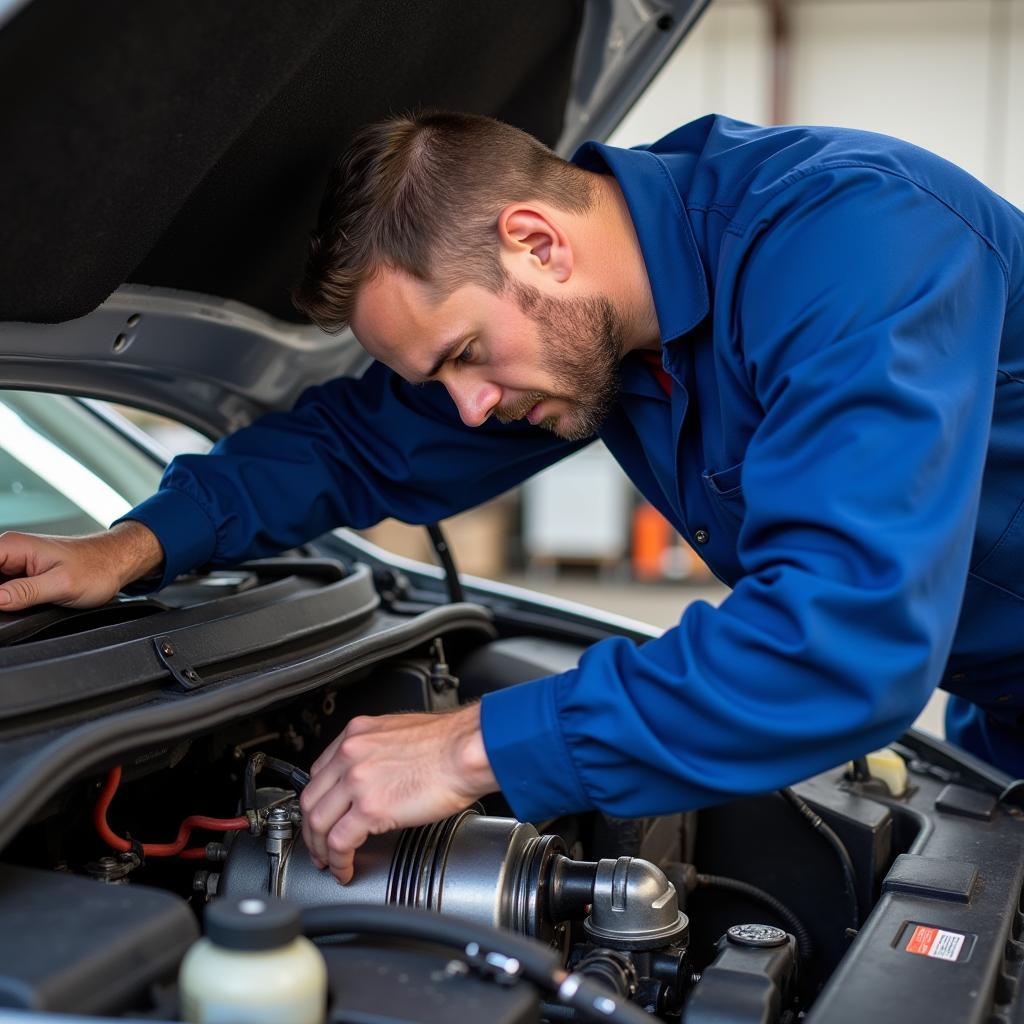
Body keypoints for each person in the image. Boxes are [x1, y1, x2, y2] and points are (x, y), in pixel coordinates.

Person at [1, 111, 1022, 887]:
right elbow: (352, 442)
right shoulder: (597, 317)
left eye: (462, 356)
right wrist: (131, 546)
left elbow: (843, 640)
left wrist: (471, 745)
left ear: (537, 240)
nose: (472, 406)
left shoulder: (855, 242)